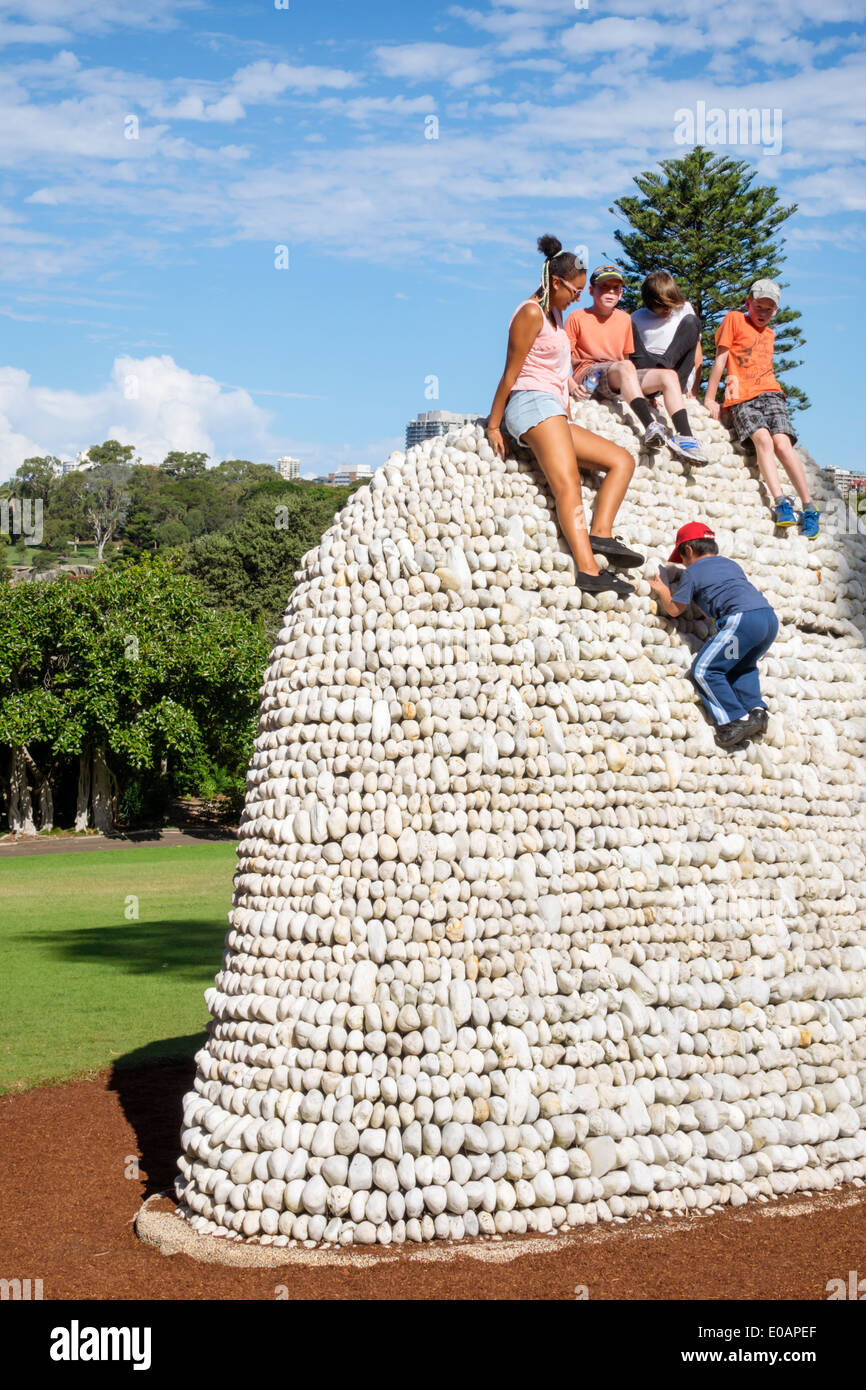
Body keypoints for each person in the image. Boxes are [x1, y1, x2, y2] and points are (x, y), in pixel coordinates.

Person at [487, 236, 643, 598]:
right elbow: (510, 373)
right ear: (555, 283)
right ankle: (588, 571)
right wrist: (494, 424)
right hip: (529, 403)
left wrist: (567, 404)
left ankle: (601, 533)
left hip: (553, 408)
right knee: (568, 482)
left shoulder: (555, 312)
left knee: (621, 460)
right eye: (574, 289)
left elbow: (558, 369)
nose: (578, 296)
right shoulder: (530, 313)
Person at [704, 279, 819, 538]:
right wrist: (710, 398)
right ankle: (781, 503)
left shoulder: (770, 335)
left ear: (776, 311)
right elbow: (721, 359)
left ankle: (809, 507)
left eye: (769, 308)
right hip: (742, 398)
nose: (763, 312)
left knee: (783, 444)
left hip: (772, 394)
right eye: (759, 306)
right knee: (763, 441)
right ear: (748, 303)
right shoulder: (734, 319)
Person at [648, 521, 779, 748]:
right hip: (767, 619)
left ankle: (733, 720)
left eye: (682, 557)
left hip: (742, 620)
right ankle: (757, 712)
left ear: (687, 550)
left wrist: (663, 591)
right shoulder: (730, 565)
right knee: (742, 666)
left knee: (705, 669)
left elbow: (674, 609)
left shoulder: (693, 572)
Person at [566, 264, 707, 463]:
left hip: (620, 374)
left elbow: (626, 358)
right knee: (625, 367)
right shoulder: (577, 317)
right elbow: (562, 356)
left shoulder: (624, 319)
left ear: (622, 292)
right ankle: (650, 425)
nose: (610, 292)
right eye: (604, 287)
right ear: (591, 290)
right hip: (591, 373)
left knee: (669, 376)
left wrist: (643, 390)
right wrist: (572, 386)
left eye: (615, 288)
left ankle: (685, 436)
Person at [630, 271, 708, 463]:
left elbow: (695, 351)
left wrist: (694, 389)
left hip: (675, 369)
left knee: (692, 323)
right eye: (661, 306)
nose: (667, 310)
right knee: (625, 324)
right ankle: (659, 373)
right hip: (648, 370)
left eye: (670, 305)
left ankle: (663, 369)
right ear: (650, 302)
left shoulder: (685, 309)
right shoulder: (637, 317)